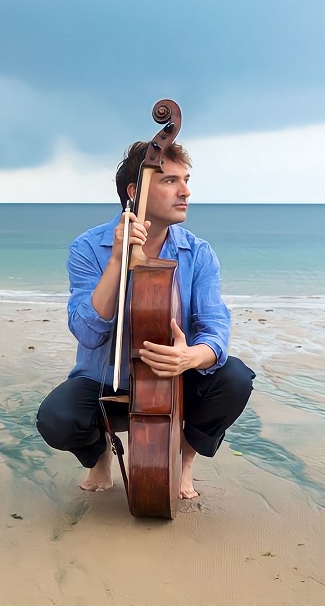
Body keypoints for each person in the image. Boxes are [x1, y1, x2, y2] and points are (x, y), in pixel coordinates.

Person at [36, 140, 254, 499]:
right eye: (170, 181)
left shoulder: (197, 252)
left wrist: (191, 357)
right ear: (135, 192)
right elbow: (87, 333)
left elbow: (215, 330)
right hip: (108, 383)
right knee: (56, 418)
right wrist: (117, 261)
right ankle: (98, 454)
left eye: (186, 179)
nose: (186, 191)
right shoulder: (88, 248)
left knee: (235, 378)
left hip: (174, 383)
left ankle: (184, 463)